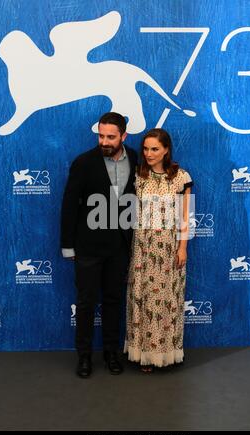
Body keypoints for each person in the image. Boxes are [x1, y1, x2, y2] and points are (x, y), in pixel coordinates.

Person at [61, 112, 138, 377]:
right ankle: (84, 357)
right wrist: (67, 246)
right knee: (85, 303)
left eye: (111, 137)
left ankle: (111, 353)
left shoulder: (138, 160)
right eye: (101, 135)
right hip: (88, 246)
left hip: (120, 245)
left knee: (114, 301)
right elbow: (69, 205)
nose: (104, 141)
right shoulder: (83, 162)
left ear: (124, 136)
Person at [124, 128, 193, 372]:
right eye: (145, 149)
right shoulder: (137, 176)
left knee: (166, 302)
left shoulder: (181, 177)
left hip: (169, 250)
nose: (149, 153)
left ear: (166, 149)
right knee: (142, 300)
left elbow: (185, 216)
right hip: (142, 249)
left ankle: (165, 354)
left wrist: (182, 247)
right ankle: (143, 354)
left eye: (155, 149)